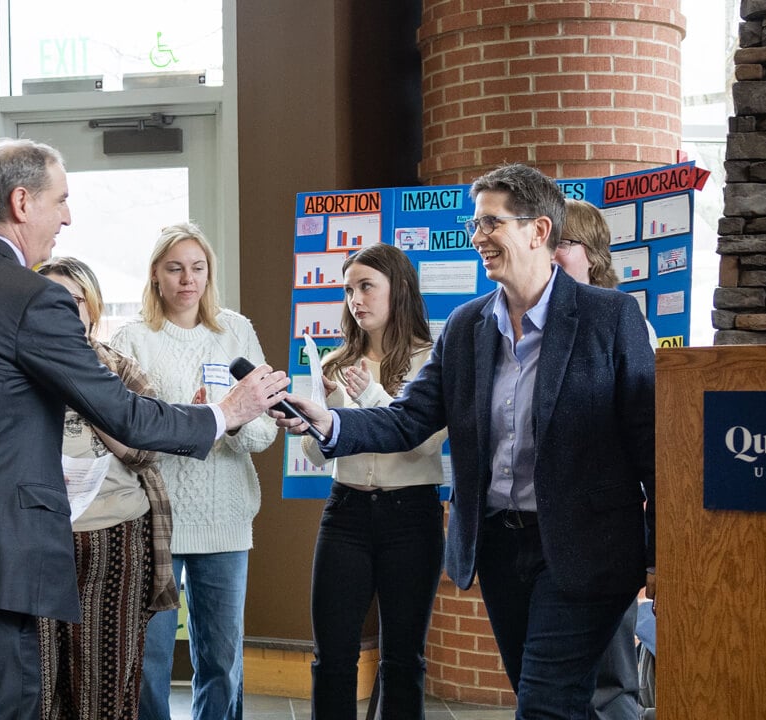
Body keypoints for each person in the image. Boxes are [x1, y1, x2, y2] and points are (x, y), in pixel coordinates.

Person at [0, 138, 288, 720]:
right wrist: (224, 413)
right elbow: (123, 413)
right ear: (22, 201)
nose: (68, 217)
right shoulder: (31, 300)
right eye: (61, 200)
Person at [273, 164, 656, 720]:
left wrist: (658, 548)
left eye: (489, 224)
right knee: (545, 695)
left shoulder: (611, 317)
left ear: (538, 231)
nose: (477, 237)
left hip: (581, 548)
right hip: (501, 550)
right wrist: (329, 424)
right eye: (474, 225)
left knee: (545, 704)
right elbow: (408, 421)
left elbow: (649, 441)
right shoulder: (466, 326)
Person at [110, 222, 278, 720]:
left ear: (210, 274)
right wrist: (194, 420)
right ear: (156, 276)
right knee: (149, 663)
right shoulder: (132, 338)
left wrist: (226, 421)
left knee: (222, 662)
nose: (188, 279)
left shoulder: (236, 331)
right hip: (155, 524)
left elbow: (265, 432)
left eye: (198, 268)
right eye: (175, 268)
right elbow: (123, 436)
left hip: (225, 521)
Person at [299, 243, 447, 719]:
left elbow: (422, 445)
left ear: (398, 289)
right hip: (347, 514)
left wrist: (374, 398)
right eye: (348, 290)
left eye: (366, 286)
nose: (355, 299)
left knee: (403, 661)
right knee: (333, 658)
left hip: (412, 517)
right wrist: (316, 417)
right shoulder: (333, 363)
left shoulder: (432, 360)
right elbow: (314, 454)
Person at [34, 256, 179, 720]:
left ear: (91, 310)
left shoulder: (118, 369)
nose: (63, 309)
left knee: (105, 683)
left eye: (73, 300)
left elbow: (146, 448)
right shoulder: (14, 369)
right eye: (49, 300)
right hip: (36, 541)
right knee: (38, 683)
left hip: (114, 539)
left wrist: (91, 397)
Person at [557, 199, 659, 720]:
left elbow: (648, 442)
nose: (551, 256)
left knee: (611, 685)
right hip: (547, 543)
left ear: (592, 255)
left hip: (604, 538)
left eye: (563, 244)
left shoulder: (622, 319)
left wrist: (655, 548)